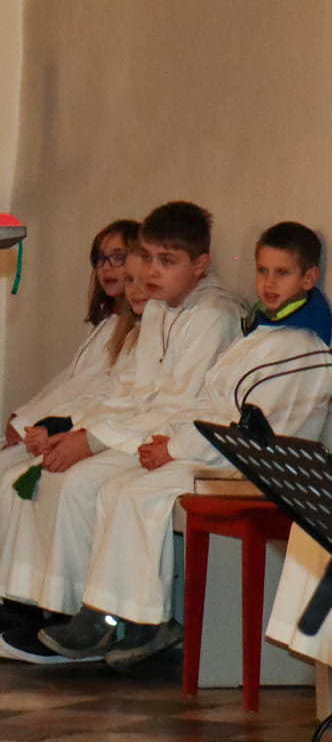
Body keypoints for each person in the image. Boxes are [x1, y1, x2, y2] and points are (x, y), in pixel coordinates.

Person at [39, 221, 332, 667]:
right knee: (119, 488)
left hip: (255, 470)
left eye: (282, 273)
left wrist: (175, 449)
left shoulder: (304, 344)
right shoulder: (266, 331)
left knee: (136, 493)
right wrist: (170, 440)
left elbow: (250, 430)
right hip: (214, 451)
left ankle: (141, 621)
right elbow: (209, 400)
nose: (269, 284)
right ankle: (113, 615)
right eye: (262, 271)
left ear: (308, 278)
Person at [0, 201, 243, 662]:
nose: (152, 271)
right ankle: (57, 609)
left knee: (84, 484)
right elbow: (130, 392)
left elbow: (177, 406)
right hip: (142, 432)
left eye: (167, 260)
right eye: (148, 257)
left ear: (200, 265)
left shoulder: (213, 315)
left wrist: (93, 441)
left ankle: (103, 620)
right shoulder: (160, 309)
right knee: (59, 473)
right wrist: (76, 433)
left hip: (182, 441)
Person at [0, 219, 141, 654]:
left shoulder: (140, 331)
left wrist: (52, 428)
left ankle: (29, 608)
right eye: (101, 260)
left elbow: (105, 396)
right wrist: (29, 417)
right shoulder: (107, 326)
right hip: (66, 425)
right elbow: (69, 383)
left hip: (91, 432)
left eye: (119, 258)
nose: (109, 269)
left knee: (8, 479)